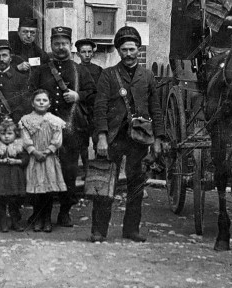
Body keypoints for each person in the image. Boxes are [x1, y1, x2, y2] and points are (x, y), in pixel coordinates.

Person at [90, 26, 165, 243]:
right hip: (112, 138)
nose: (129, 54)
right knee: (104, 185)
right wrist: (102, 137)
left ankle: (131, 229)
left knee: (136, 186)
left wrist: (158, 138)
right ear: (118, 51)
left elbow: (156, 108)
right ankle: (99, 230)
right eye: (124, 50)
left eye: (132, 49)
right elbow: (100, 108)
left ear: (138, 50)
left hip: (138, 139)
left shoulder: (147, 76)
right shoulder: (108, 75)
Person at [29, 26, 96, 228]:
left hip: (71, 131)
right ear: (51, 45)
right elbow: (29, 93)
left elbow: (93, 94)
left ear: (70, 46)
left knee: (68, 173)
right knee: (44, 173)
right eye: (56, 44)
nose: (60, 48)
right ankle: (43, 214)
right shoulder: (41, 70)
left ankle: (65, 212)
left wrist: (79, 96)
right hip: (44, 132)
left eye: (64, 44)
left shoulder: (80, 70)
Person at [20, 90, 67, 233]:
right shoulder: (26, 120)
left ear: (49, 104)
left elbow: (57, 139)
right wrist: (34, 151)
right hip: (34, 158)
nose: (41, 103)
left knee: (48, 191)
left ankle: (47, 219)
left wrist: (47, 152)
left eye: (44, 100)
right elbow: (25, 138)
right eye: (38, 100)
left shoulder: (55, 120)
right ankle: (37, 218)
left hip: (49, 159)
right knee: (36, 190)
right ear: (32, 103)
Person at [0, 117, 29, 232]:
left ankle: (15, 221)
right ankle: (3, 221)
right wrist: (1, 161)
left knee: (14, 201)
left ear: (15, 134)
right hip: (0, 179)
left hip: (15, 178)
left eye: (10, 133)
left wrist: (17, 161)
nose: (6, 136)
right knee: (0, 201)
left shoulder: (19, 146)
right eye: (3, 134)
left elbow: (25, 159)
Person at [75, 38, 102, 177]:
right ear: (78, 54)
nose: (86, 55)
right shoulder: (75, 69)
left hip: (96, 110)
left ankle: (98, 170)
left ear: (93, 53)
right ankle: (86, 170)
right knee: (82, 143)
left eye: (89, 52)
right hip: (81, 110)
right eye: (83, 52)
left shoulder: (98, 70)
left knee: (98, 140)